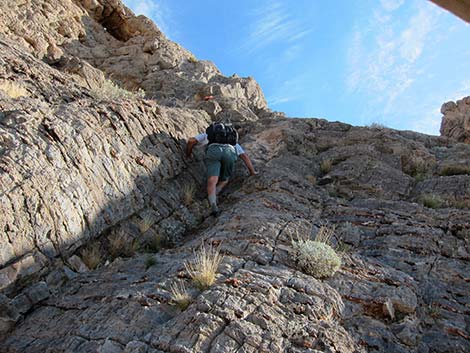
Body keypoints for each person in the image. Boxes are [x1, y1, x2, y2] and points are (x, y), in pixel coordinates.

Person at [186, 123, 257, 216]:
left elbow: (191, 141)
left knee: (212, 180)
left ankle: (213, 205)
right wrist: (252, 172)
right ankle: (217, 191)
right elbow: (244, 156)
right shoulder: (231, 139)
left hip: (213, 151)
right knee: (225, 179)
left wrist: (188, 153)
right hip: (229, 152)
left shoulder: (210, 135)